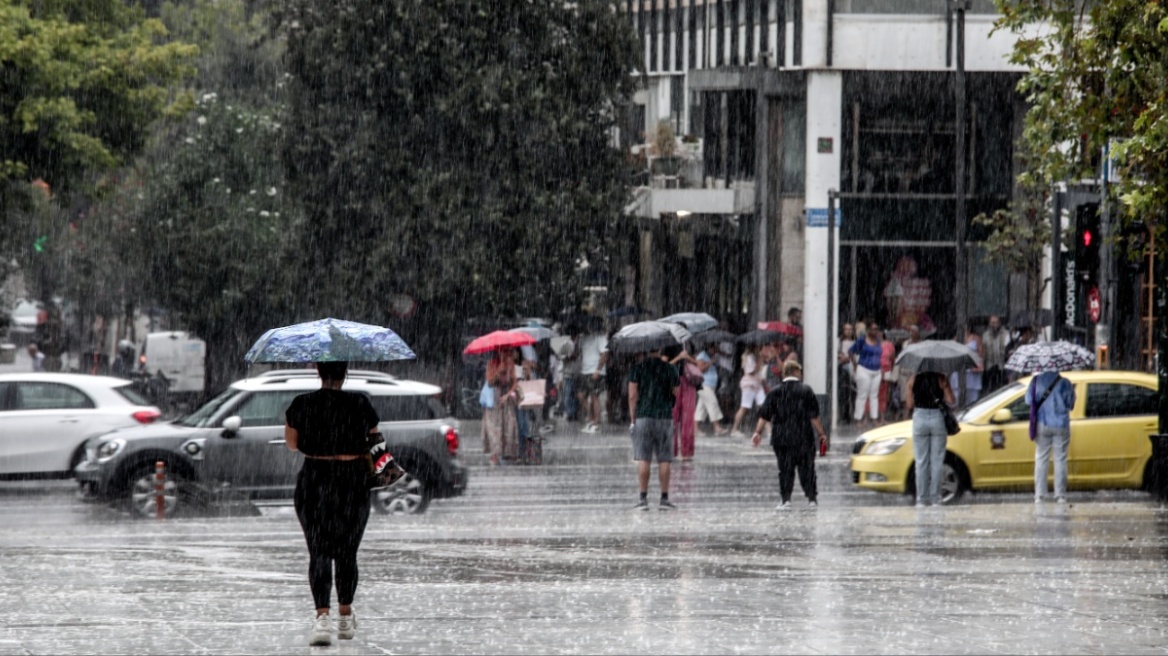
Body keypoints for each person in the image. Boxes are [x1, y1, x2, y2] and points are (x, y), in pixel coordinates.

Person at [284, 361, 380, 646]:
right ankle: (345, 616)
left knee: (319, 550)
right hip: (353, 481)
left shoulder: (302, 404)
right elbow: (375, 440)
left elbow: (292, 444)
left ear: (318, 371)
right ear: (345, 372)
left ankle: (322, 619)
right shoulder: (360, 402)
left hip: (315, 479)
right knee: (347, 552)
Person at [752, 360, 828, 509]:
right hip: (803, 437)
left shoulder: (775, 391)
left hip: (782, 438)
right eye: (799, 371)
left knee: (785, 469)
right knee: (807, 469)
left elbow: (764, 415)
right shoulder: (806, 390)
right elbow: (814, 417)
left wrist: (757, 432)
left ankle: (786, 499)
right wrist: (822, 434)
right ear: (795, 372)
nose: (801, 374)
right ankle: (812, 499)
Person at [627, 349, 681, 510]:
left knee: (644, 458)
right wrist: (667, 400)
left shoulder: (637, 368)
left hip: (643, 417)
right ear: (660, 350)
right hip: (664, 417)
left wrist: (633, 417)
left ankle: (643, 498)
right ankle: (664, 498)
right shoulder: (670, 369)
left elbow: (632, 395)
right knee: (664, 459)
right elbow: (676, 392)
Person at [904, 369, 955, 506]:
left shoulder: (913, 379)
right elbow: (951, 400)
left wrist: (912, 390)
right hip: (937, 418)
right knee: (937, 461)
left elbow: (909, 405)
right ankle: (936, 498)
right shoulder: (941, 377)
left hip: (920, 417)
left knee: (921, 462)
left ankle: (921, 499)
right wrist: (945, 386)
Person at [1026, 371, 1076, 503]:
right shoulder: (1065, 382)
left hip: (1042, 423)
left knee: (1041, 458)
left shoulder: (1036, 381)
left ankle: (1039, 495)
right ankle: (1060, 495)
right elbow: (1071, 404)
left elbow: (1028, 400)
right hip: (1061, 425)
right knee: (1060, 459)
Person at [482, 347, 520, 466]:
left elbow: (515, 382)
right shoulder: (491, 364)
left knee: (509, 425)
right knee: (494, 428)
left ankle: (508, 453)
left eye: (507, 351)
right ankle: (495, 454)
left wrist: (508, 395)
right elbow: (490, 381)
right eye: (503, 351)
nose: (505, 354)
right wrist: (499, 371)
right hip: (494, 398)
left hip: (506, 397)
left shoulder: (510, 364)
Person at [668, 344, 700, 461]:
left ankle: (687, 451)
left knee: (688, 418)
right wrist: (679, 357)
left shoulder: (689, 344)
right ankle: (672, 450)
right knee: (673, 418)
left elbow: (698, 364)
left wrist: (688, 358)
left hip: (688, 382)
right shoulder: (669, 346)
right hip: (673, 383)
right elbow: (665, 365)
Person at [849, 322, 884, 427]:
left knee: (874, 396)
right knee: (862, 395)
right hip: (863, 369)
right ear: (868, 330)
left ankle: (874, 419)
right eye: (873, 329)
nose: (875, 331)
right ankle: (858, 419)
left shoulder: (878, 341)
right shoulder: (862, 340)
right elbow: (851, 351)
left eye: (876, 329)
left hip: (877, 371)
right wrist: (855, 365)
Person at [576, 327, 609, 433]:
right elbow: (579, 353)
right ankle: (590, 419)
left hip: (595, 370)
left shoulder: (600, 337)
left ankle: (596, 423)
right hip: (584, 370)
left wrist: (598, 370)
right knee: (581, 395)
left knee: (594, 396)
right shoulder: (582, 338)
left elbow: (605, 354)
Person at [694, 342, 730, 436]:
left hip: (711, 385)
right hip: (703, 384)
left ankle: (695, 429)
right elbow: (700, 369)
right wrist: (710, 362)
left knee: (701, 408)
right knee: (712, 403)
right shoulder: (702, 355)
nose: (715, 350)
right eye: (714, 348)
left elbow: (716, 367)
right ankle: (716, 427)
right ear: (709, 348)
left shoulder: (712, 356)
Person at [731, 346, 765, 438]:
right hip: (749, 385)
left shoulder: (755, 356)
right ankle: (734, 429)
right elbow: (751, 371)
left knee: (764, 406)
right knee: (745, 407)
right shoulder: (749, 357)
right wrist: (760, 362)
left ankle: (769, 430)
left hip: (757, 384)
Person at [949, 326, 984, 404]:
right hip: (960, 368)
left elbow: (982, 353)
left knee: (972, 396)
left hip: (972, 369)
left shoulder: (976, 338)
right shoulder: (955, 339)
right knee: (957, 394)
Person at [981, 315, 1009, 394]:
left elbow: (1007, 349)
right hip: (989, 367)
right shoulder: (985, 335)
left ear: (999, 323)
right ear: (989, 324)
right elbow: (983, 351)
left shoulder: (1006, 334)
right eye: (992, 323)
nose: (994, 325)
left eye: (996, 322)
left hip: (1002, 367)